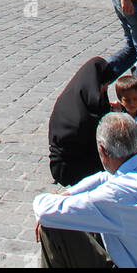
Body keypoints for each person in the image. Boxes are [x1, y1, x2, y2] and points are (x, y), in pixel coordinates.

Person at [33, 113, 137, 269]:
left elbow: (45, 211)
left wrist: (55, 200)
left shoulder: (119, 195)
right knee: (71, 218)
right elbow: (105, 177)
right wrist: (67, 195)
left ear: (102, 150)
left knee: (53, 225)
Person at [48, 57, 114, 186]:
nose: (105, 89)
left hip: (63, 162)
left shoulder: (75, 97)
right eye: (104, 84)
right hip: (70, 167)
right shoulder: (85, 115)